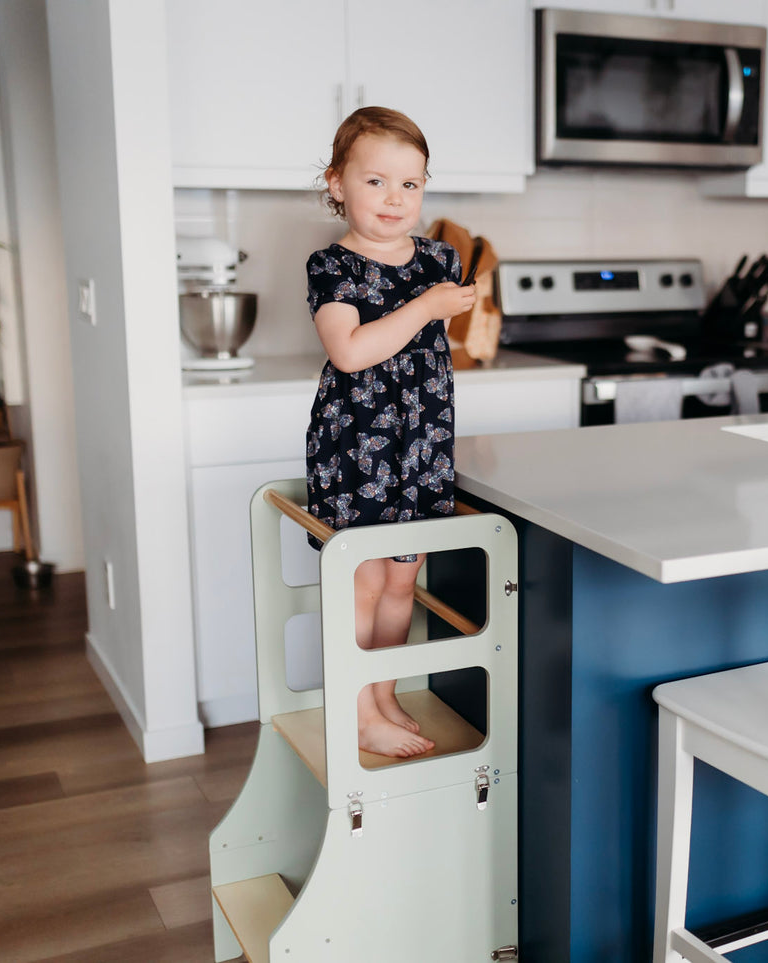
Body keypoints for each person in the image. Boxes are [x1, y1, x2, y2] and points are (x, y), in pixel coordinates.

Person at [304, 107, 476, 757]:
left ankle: (381, 694)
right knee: (366, 580)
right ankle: (355, 711)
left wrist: (445, 300)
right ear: (337, 183)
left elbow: (431, 351)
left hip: (421, 447)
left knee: (404, 580)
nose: (395, 198)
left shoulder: (440, 258)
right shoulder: (332, 266)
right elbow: (349, 351)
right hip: (356, 446)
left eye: (411, 184)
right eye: (375, 181)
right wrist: (428, 305)